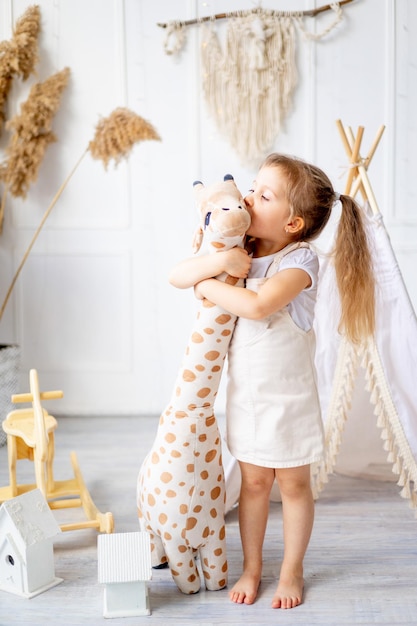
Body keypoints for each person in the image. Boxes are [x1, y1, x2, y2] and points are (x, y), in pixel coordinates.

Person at [169, 153, 375, 610]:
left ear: (294, 222)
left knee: (294, 486)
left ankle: (292, 570)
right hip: (248, 399)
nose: (248, 196)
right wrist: (214, 267)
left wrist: (208, 287)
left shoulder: (300, 262)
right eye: (253, 187)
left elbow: (260, 307)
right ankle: (253, 566)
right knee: (254, 484)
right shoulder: (236, 245)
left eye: (264, 194)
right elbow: (176, 275)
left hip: (291, 401)